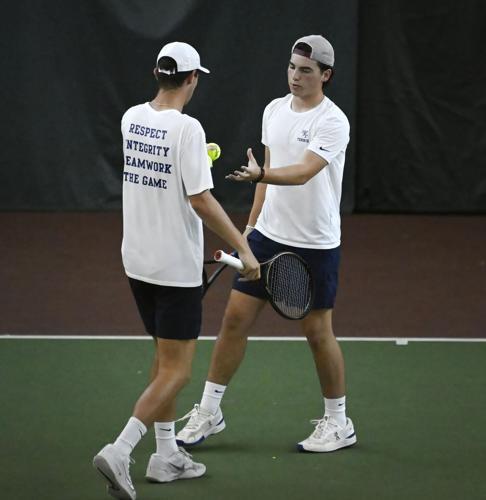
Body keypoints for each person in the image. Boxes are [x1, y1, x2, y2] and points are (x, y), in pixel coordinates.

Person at [92, 41, 260, 500]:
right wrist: (243, 247)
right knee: (179, 371)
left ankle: (166, 456)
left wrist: (192, 160)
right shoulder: (187, 129)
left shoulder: (131, 118)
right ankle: (121, 449)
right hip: (173, 268)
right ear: (192, 79)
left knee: (164, 359)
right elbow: (200, 199)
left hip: (137, 262)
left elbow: (161, 172)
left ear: (157, 74)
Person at [176, 35, 357, 453]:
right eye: (292, 67)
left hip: (315, 243)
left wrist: (260, 177)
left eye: (306, 71)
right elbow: (270, 172)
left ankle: (338, 422)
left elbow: (303, 172)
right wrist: (247, 236)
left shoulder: (333, 121)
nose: (296, 76)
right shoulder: (274, 110)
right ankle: (210, 411)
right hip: (268, 235)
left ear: (325, 75)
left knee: (317, 332)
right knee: (234, 320)